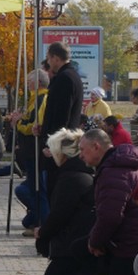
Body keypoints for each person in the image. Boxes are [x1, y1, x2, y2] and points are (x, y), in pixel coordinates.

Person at [78, 128, 138, 275]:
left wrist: (95, 242)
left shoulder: (113, 171)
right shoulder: (120, 163)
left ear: (96, 147)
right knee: (79, 248)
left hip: (133, 241)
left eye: (82, 149)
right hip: (137, 234)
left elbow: (110, 217)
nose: (80, 155)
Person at [35, 129, 98, 275]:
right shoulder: (79, 174)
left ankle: (94, 274)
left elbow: (59, 215)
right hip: (78, 236)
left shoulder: (70, 179)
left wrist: (42, 233)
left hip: (75, 240)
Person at [39, 43, 83, 196]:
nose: (48, 63)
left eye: (49, 59)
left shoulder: (65, 78)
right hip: (66, 143)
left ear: (56, 58)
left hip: (61, 148)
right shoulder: (73, 75)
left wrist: (54, 145)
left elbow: (61, 115)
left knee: (56, 192)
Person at [11, 68, 50, 236]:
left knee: (39, 189)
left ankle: (44, 224)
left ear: (38, 82)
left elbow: (34, 125)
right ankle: (34, 219)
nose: (27, 85)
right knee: (32, 188)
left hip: (36, 151)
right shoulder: (32, 99)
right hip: (28, 151)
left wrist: (18, 123)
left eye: (29, 82)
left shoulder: (42, 99)